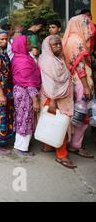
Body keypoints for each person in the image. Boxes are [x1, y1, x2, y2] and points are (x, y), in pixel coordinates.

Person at [38, 35, 76, 169]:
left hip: (58, 97)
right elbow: (50, 83)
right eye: (55, 45)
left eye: (59, 44)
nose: (59, 46)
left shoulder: (57, 59)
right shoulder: (48, 60)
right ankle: (62, 156)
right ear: (48, 46)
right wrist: (53, 100)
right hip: (53, 98)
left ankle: (48, 146)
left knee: (51, 124)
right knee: (60, 126)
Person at [62, 14, 95, 158]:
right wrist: (86, 86)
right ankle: (75, 145)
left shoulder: (70, 39)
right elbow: (79, 65)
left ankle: (72, 142)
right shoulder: (76, 41)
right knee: (82, 115)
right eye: (86, 24)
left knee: (76, 113)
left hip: (75, 81)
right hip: (81, 82)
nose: (89, 28)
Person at [11, 35, 41, 156]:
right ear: (21, 46)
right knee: (25, 118)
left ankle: (22, 144)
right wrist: (35, 100)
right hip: (25, 94)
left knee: (23, 118)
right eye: (27, 43)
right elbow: (29, 82)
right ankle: (20, 148)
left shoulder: (20, 58)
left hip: (21, 92)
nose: (30, 45)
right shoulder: (23, 61)